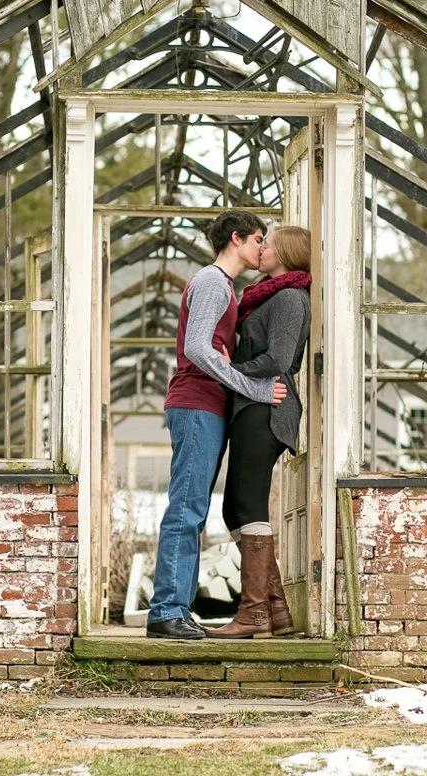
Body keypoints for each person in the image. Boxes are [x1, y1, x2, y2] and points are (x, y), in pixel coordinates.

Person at [145, 210, 287, 640]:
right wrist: (254, 388)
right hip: (196, 404)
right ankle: (166, 612)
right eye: (258, 239)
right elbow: (198, 349)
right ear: (237, 238)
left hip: (208, 408)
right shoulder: (211, 281)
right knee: (186, 509)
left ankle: (176, 610)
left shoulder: (225, 286)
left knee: (194, 510)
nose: (263, 247)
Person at [207, 225, 313, 639]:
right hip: (252, 405)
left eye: (268, 243)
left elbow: (279, 358)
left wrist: (227, 369)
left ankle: (253, 614)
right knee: (234, 507)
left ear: (286, 252)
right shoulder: (268, 296)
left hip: (268, 406)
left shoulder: (289, 298)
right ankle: (277, 610)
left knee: (248, 505)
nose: (261, 247)